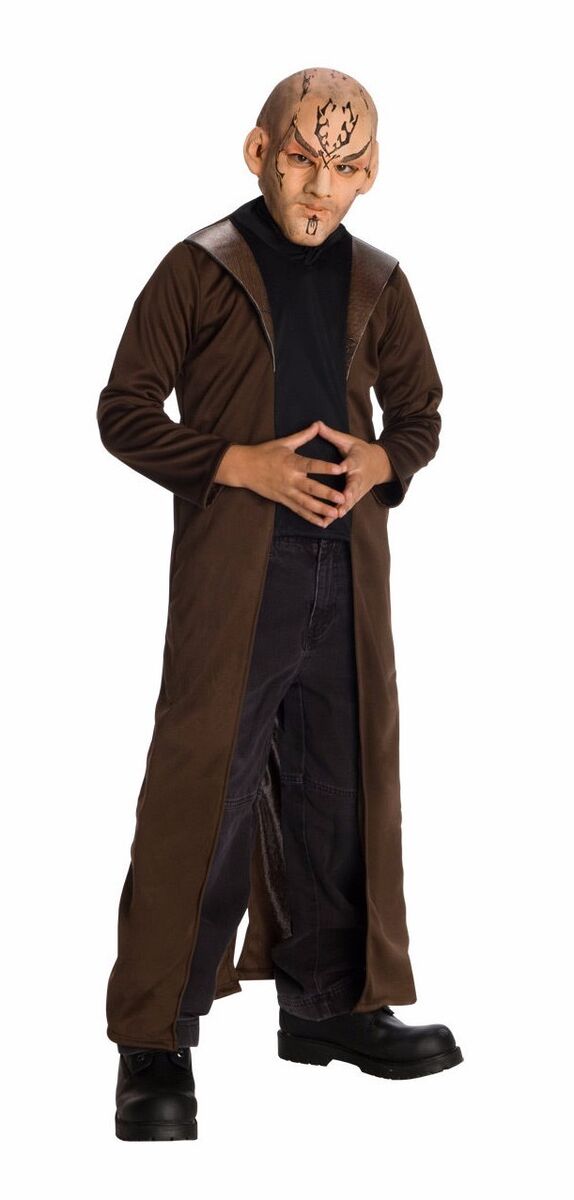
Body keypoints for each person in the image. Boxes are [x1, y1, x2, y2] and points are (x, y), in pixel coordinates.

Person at [97, 65, 463, 1143]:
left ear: (370, 172)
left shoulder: (379, 282)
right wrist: (235, 463)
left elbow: (422, 411)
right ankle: (152, 1041)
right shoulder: (198, 268)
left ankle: (330, 1007)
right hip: (235, 574)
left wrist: (384, 459)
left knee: (341, 786)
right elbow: (123, 410)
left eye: (342, 167)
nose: (318, 186)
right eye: (301, 158)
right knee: (199, 792)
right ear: (259, 152)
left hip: (346, 574)